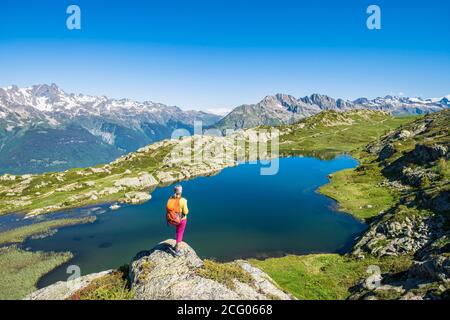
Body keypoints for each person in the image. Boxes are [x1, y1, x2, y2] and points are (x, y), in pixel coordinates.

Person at [167, 184, 189, 256]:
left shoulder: (170, 198)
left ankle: (175, 245)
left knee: (177, 231)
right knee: (180, 233)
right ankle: (176, 250)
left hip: (173, 219)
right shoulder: (183, 200)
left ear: (174, 190)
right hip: (181, 220)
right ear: (181, 191)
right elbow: (185, 212)